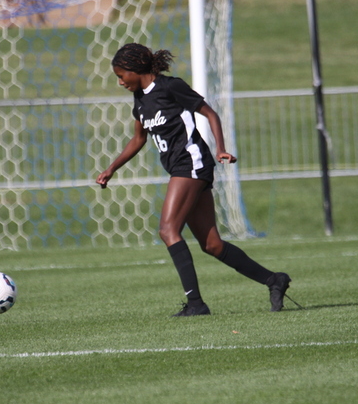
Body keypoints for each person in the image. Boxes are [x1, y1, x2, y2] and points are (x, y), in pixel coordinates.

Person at [96, 42, 294, 316]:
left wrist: (220, 147)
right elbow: (139, 139)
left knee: (168, 230)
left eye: (121, 75)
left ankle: (196, 305)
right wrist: (112, 168)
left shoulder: (170, 87)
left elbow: (209, 112)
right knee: (212, 245)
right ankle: (274, 280)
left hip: (191, 163)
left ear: (135, 69)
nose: (120, 82)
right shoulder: (140, 99)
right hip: (182, 168)